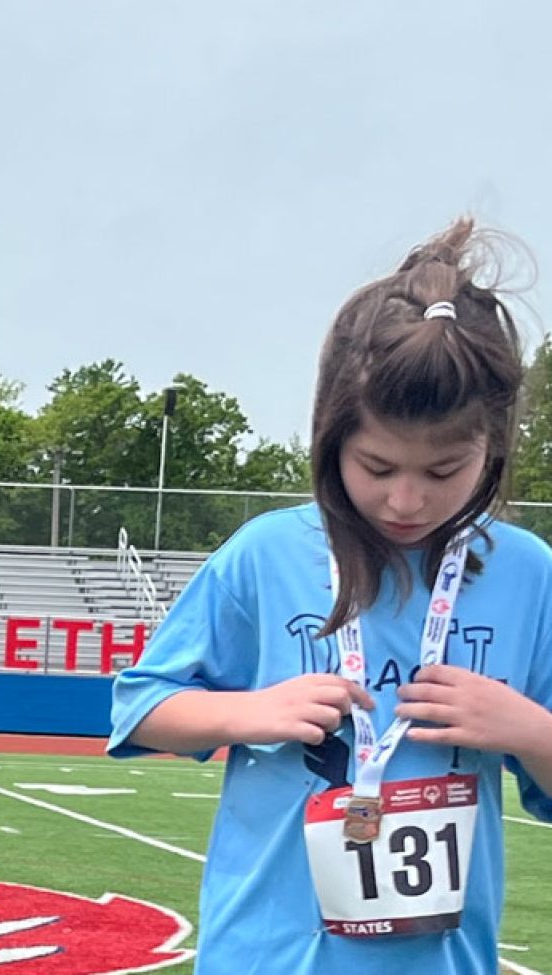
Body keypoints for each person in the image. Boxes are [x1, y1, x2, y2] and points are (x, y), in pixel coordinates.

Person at [109, 218, 552, 974]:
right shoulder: (268, 554)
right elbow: (139, 709)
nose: (406, 499)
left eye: (445, 471)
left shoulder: (528, 574)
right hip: (266, 954)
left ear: (495, 448)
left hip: (445, 960)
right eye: (376, 466)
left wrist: (528, 729)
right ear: (329, 438)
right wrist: (246, 712)